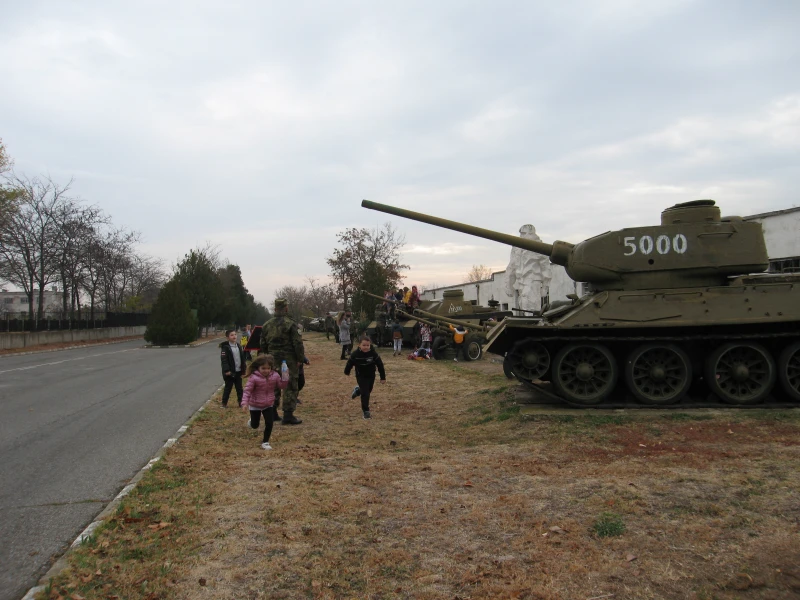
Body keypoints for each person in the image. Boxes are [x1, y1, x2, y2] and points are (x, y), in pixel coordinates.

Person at [260, 298, 307, 425]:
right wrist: (300, 358)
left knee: (273, 385)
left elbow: (262, 345)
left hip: (271, 361)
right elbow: (297, 343)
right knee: (289, 386)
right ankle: (288, 415)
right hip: (288, 362)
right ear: (286, 308)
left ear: (275, 309)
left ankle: (273, 413)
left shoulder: (266, 325)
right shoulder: (291, 324)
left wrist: (264, 361)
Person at [241, 354, 288, 450]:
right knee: (255, 425)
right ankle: (252, 422)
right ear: (258, 368)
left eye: (268, 368)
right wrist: (244, 403)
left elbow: (281, 386)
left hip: (268, 404)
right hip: (255, 404)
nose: (266, 370)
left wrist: (285, 376)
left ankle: (265, 442)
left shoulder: (274, 375)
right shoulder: (253, 378)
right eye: (263, 368)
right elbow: (247, 391)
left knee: (269, 423)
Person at [345, 335, 386, 419]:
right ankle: (366, 411)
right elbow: (350, 363)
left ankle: (358, 390)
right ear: (359, 345)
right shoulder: (355, 354)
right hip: (361, 376)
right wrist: (347, 371)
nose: (366, 347)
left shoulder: (373, 354)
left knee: (368, 390)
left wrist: (382, 377)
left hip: (371, 375)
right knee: (365, 393)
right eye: (364, 345)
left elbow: (380, 365)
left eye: (368, 345)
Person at [220, 329, 247, 407]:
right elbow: (224, 360)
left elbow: (242, 359)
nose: (234, 336)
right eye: (231, 335)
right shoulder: (225, 348)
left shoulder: (238, 346)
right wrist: (227, 370)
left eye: (235, 334)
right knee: (228, 388)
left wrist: (243, 370)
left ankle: (241, 403)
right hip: (230, 372)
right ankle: (224, 403)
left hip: (238, 371)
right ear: (227, 337)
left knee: (239, 388)